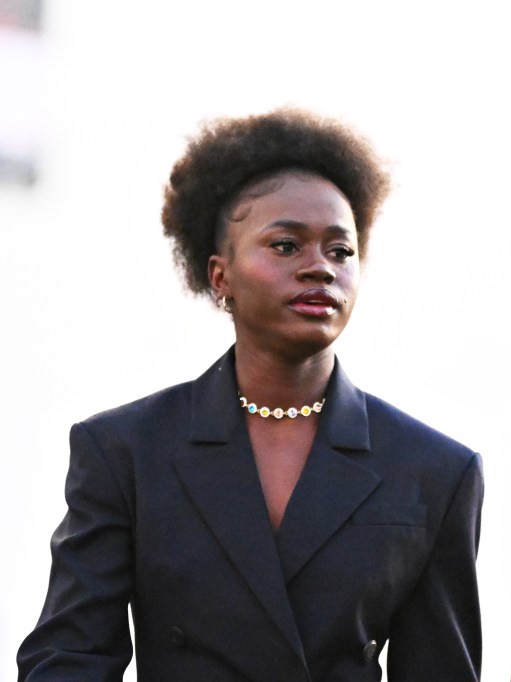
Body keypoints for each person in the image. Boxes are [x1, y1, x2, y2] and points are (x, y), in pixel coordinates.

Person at [18, 108, 484, 681]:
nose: (319, 268)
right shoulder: (125, 450)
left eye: (341, 251)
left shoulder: (433, 470)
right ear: (220, 277)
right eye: (287, 246)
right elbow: (70, 660)